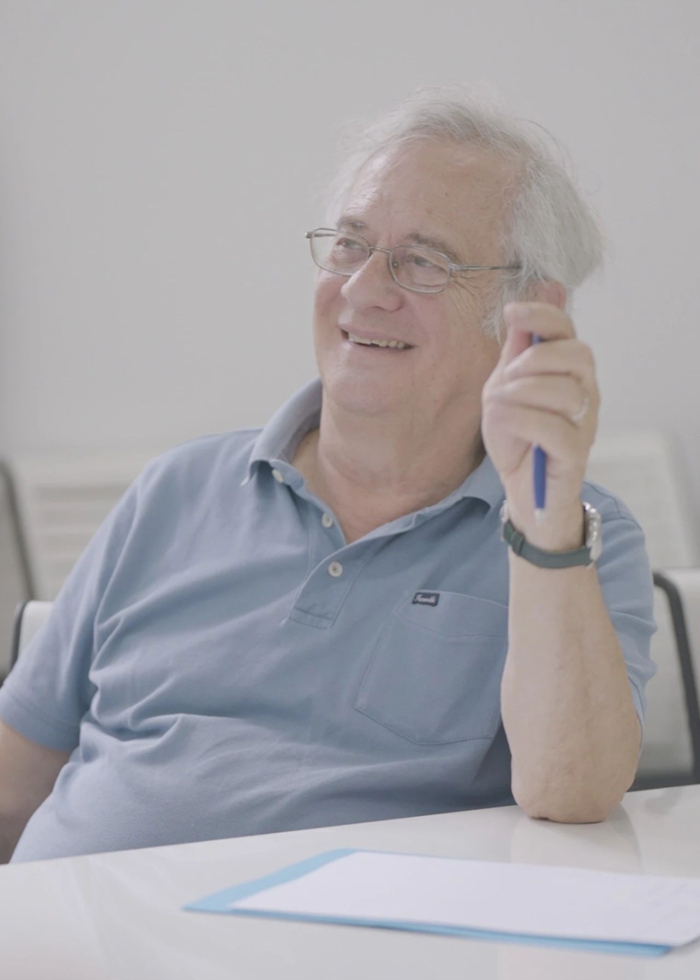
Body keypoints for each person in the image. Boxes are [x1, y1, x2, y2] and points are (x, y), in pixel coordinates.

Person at [0, 86, 655, 863]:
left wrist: (544, 519)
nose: (363, 289)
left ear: (530, 314)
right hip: (64, 926)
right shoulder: (175, 490)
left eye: (423, 262)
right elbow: (14, 782)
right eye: (349, 245)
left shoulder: (578, 541)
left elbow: (571, 791)